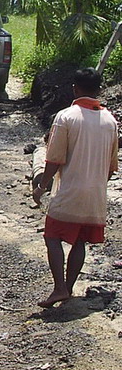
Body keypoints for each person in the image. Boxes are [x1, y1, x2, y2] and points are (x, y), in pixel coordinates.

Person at [32, 68, 118, 308]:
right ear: (99, 90)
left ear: (75, 88)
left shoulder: (66, 117)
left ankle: (60, 288)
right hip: (96, 194)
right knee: (78, 241)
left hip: (70, 189)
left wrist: (42, 186)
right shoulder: (110, 121)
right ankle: (67, 288)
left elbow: (54, 158)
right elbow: (112, 167)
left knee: (52, 236)